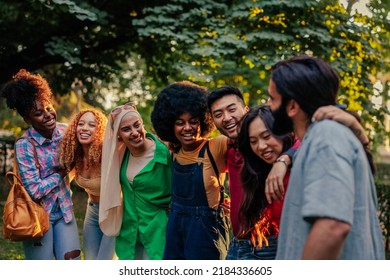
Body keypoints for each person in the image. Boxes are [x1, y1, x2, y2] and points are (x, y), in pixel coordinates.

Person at [266, 55, 385, 259]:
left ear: (292, 106)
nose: (267, 105)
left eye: (272, 98)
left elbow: (332, 226)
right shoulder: (321, 138)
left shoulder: (326, 136)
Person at [207, 86, 296, 259]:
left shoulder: (273, 144)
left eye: (232, 109)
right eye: (218, 114)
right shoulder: (228, 149)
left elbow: (302, 138)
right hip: (236, 245)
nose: (226, 118)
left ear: (245, 109)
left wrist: (283, 160)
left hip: (267, 245)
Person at [0, 69, 81, 260]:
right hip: (37, 216)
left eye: (48, 107)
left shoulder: (65, 133)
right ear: (27, 119)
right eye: (38, 113)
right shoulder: (25, 146)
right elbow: (35, 191)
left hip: (65, 213)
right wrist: (60, 173)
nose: (47, 115)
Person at [151, 81, 230, 260]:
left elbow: (246, 137)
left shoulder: (215, 147)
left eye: (193, 121)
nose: (187, 128)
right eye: (180, 123)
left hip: (206, 230)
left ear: (204, 121)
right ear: (170, 125)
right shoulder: (173, 151)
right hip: (175, 227)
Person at [99, 102, 172, 260]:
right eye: (126, 129)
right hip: (130, 232)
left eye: (136, 125)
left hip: (158, 231)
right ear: (119, 135)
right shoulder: (120, 156)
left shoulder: (164, 154)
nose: (134, 132)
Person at [235, 105, 295, 259]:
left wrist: (284, 159)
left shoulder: (301, 163)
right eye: (253, 141)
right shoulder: (260, 172)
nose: (260, 146)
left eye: (267, 136)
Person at [60, 109, 116, 260]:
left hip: (114, 212)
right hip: (92, 211)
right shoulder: (75, 156)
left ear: (100, 130)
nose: (85, 128)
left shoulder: (108, 153)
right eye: (81, 124)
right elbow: (61, 181)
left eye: (92, 125)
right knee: (91, 261)